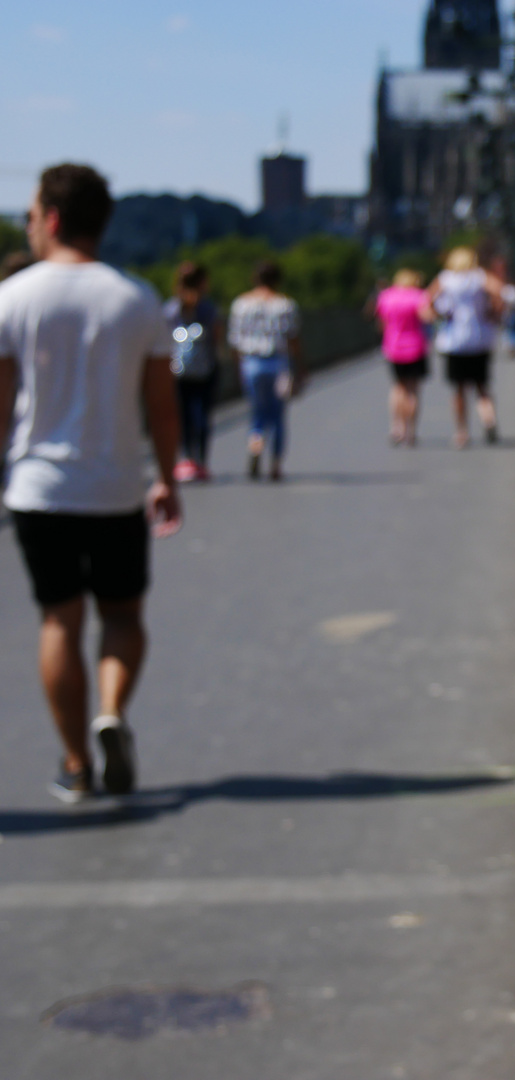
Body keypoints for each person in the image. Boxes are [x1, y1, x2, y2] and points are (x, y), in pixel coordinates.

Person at [0, 163, 182, 802]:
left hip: (39, 489)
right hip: (115, 486)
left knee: (59, 621)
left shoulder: (12, 298)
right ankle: (111, 709)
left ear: (51, 218)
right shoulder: (137, 299)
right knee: (123, 614)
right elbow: (161, 405)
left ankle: (76, 762)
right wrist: (168, 476)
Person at [229, 261, 303, 481]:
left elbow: (234, 340)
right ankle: (276, 465)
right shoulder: (285, 305)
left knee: (257, 411)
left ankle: (256, 442)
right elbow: (293, 337)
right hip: (277, 362)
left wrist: (238, 367)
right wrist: (300, 365)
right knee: (278, 414)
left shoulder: (241, 304)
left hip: (251, 362)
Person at [429, 247, 499, 447]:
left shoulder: (446, 279)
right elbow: (499, 292)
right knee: (481, 386)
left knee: (459, 389)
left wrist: (441, 315)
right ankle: (488, 418)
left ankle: (462, 432)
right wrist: (492, 313)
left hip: (455, 342)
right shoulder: (479, 277)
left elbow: (428, 299)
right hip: (479, 338)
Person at [164, 261, 222, 482]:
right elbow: (216, 338)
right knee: (203, 416)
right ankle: (201, 461)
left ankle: (186, 459)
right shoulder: (207, 308)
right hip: (205, 368)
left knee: (182, 415)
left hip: (177, 370)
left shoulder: (171, 308)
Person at [374, 268, 431, 446]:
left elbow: (382, 322)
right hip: (415, 347)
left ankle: (397, 427)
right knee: (413, 390)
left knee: (398, 387)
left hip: (393, 347)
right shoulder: (419, 296)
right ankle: (412, 431)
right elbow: (427, 317)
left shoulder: (386, 296)